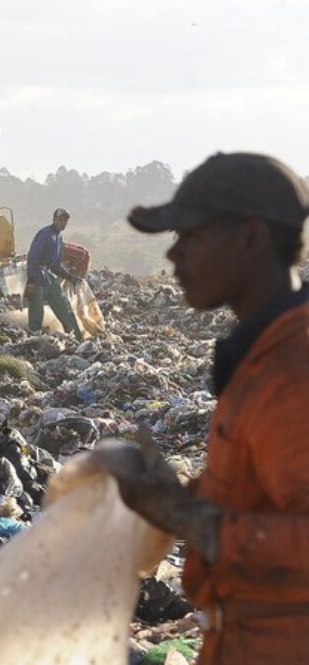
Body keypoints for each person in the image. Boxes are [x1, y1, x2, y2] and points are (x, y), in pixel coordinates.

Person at [93, 152, 309, 664]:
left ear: (252, 237)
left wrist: (186, 516)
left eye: (191, 235)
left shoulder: (292, 369)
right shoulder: (260, 356)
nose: (174, 255)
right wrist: (164, 495)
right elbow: (259, 504)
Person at [25, 207, 82, 336]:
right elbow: (33, 256)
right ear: (54, 219)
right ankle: (35, 338)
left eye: (65, 221)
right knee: (36, 310)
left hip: (48, 276)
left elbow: (56, 265)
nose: (63, 223)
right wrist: (31, 280)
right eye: (60, 220)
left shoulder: (59, 237)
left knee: (63, 305)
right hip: (37, 275)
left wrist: (69, 277)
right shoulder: (45, 234)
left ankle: (76, 336)